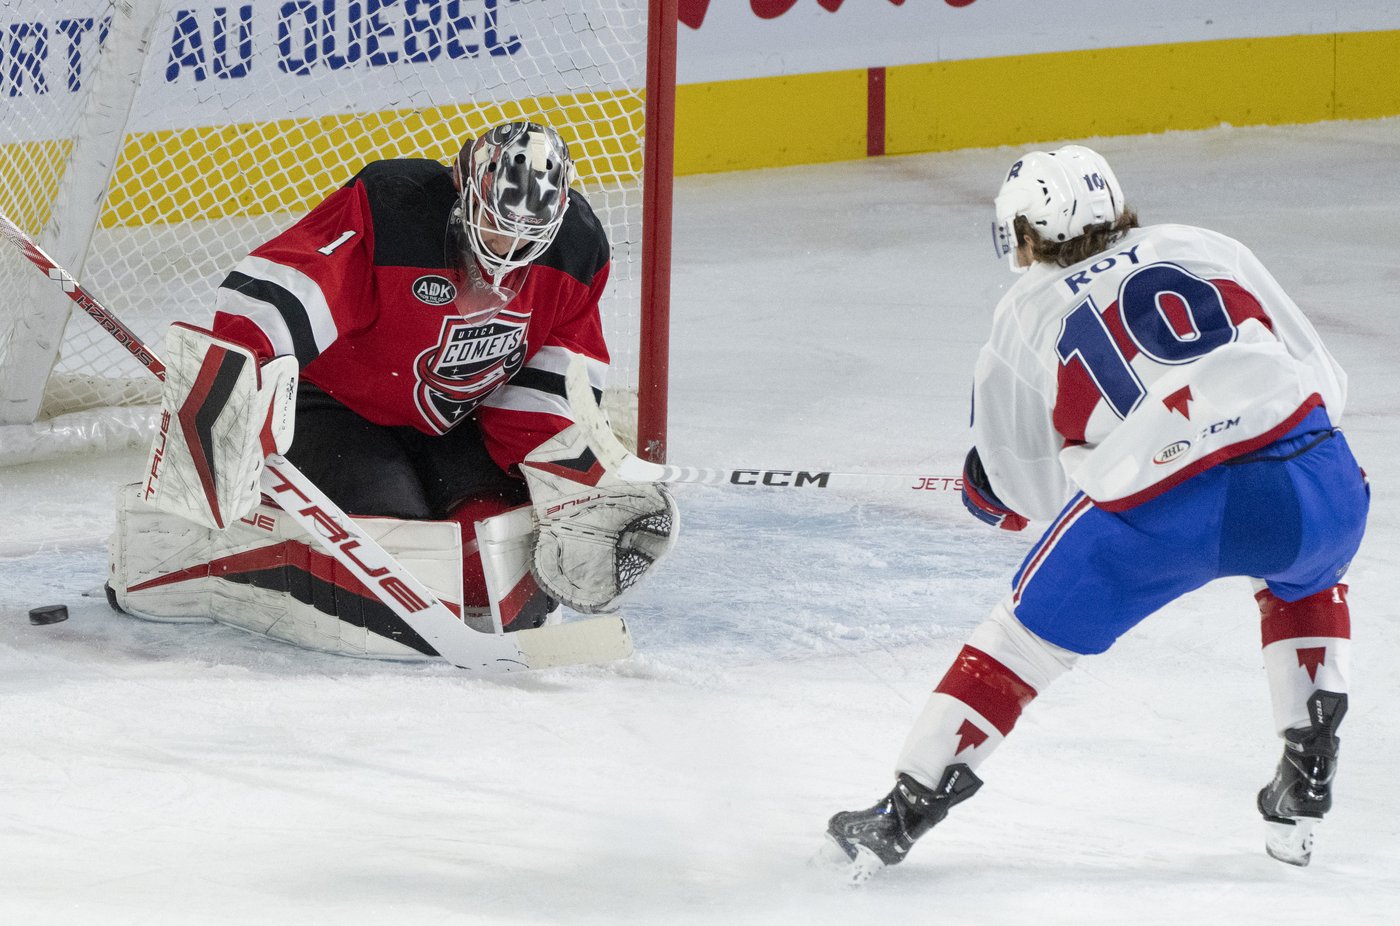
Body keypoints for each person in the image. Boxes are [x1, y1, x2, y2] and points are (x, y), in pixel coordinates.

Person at [823, 144, 1368, 881]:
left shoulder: (1023, 312)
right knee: (1304, 575)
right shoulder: (1205, 246)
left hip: (1164, 513)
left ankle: (904, 811)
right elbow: (1323, 381)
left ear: (1023, 234)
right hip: (1317, 481)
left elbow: (1021, 492)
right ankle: (1307, 771)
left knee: (1020, 643)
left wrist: (990, 490)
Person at [108, 119, 676, 653]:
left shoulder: (578, 251)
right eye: (495, 225)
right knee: (398, 538)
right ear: (464, 190)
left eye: (525, 234)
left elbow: (554, 371)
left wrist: (558, 472)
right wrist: (245, 384)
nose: (507, 248)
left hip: (456, 419)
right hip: (335, 406)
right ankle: (218, 557)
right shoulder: (394, 209)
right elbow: (282, 286)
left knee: (491, 535)